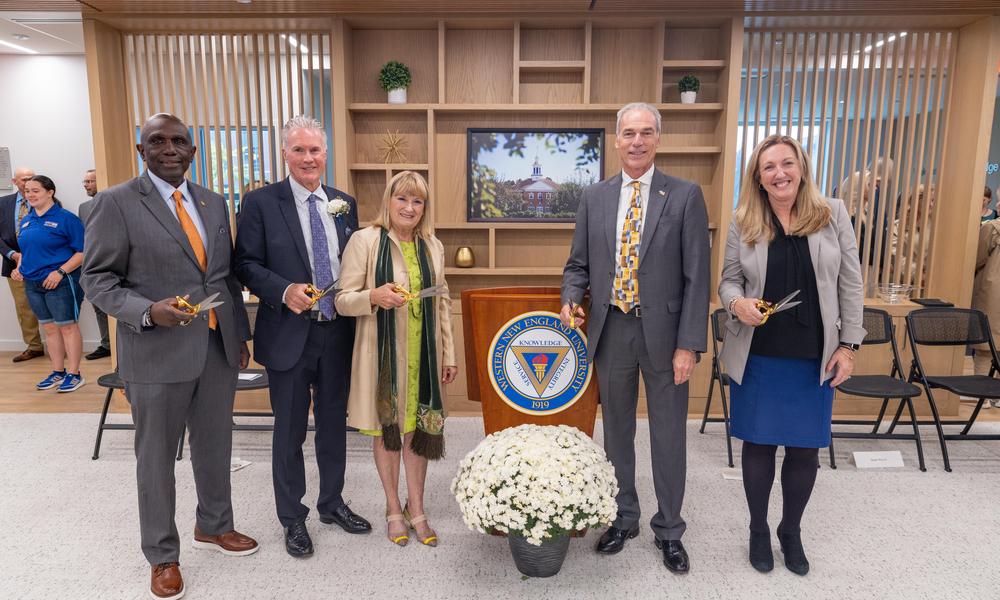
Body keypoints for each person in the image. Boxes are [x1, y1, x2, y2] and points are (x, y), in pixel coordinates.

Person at [82, 113, 258, 600]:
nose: (169, 148)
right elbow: (96, 280)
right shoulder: (114, 203)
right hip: (155, 353)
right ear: (142, 150)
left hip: (216, 348)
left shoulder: (213, 203)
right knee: (156, 459)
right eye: (157, 141)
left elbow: (223, 279)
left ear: (193, 151)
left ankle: (215, 524)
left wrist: (238, 336)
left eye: (179, 141)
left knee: (214, 444)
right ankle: (162, 556)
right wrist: (145, 311)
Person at [560, 102, 710, 574]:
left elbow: (696, 278)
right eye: (629, 133)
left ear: (658, 139)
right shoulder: (595, 197)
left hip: (666, 336)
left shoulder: (684, 195)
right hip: (612, 331)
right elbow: (578, 265)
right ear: (617, 139)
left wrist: (689, 344)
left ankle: (669, 529)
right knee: (617, 433)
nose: (637, 141)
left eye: (646, 133)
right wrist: (570, 299)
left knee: (668, 435)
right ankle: (624, 518)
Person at [719, 134, 864, 576]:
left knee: (804, 452)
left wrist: (849, 346)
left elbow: (851, 283)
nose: (779, 173)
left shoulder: (833, 213)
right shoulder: (744, 220)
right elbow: (728, 281)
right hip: (760, 354)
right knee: (758, 446)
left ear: (801, 167)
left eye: (787, 163)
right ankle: (759, 529)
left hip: (813, 355)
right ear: (758, 178)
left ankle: (791, 530)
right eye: (769, 167)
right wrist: (736, 304)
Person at [235, 115, 371, 558]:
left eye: (314, 150)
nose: (308, 158)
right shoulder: (259, 203)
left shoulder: (344, 202)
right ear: (285, 154)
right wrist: (283, 290)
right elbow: (245, 264)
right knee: (289, 432)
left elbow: (355, 263)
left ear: (325, 154)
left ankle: (331, 503)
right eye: (299, 150)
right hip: (288, 334)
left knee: (334, 428)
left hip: (337, 334)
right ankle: (293, 518)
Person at [335, 170, 457, 547]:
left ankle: (416, 508)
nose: (409, 207)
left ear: (425, 208)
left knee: (418, 431)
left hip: (425, 353)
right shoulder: (365, 240)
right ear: (388, 201)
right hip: (382, 355)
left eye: (417, 201)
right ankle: (392, 507)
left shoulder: (433, 245)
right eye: (402, 199)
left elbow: (442, 300)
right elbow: (341, 299)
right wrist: (374, 296)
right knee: (388, 431)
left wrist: (449, 353)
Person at [12, 175, 86, 391]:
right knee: (50, 329)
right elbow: (27, 251)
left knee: (67, 328)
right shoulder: (27, 220)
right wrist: (19, 268)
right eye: (27, 191)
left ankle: (74, 374)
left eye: (35, 190)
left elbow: (83, 252)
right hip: (33, 284)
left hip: (61, 282)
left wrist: (60, 272)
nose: (30, 195)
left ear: (50, 192)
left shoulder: (66, 218)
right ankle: (57, 372)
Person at [0, 167, 45, 362]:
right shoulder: (3, 203)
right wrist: (12, 255)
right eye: (23, 179)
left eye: (31, 178)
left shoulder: (46, 201)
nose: (27, 182)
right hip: (13, 264)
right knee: (23, 307)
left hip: (43, 263)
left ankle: (59, 343)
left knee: (50, 303)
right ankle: (34, 346)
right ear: (14, 181)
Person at [78, 168, 111, 360]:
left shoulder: (117, 202)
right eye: (85, 181)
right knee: (98, 306)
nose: (86, 185)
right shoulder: (84, 207)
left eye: (90, 181)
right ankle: (106, 344)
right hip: (92, 262)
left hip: (113, 260)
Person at [971, 214, 1000, 408]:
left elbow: (977, 257)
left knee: (985, 346)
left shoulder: (993, 228)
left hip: (993, 292)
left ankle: (980, 395)